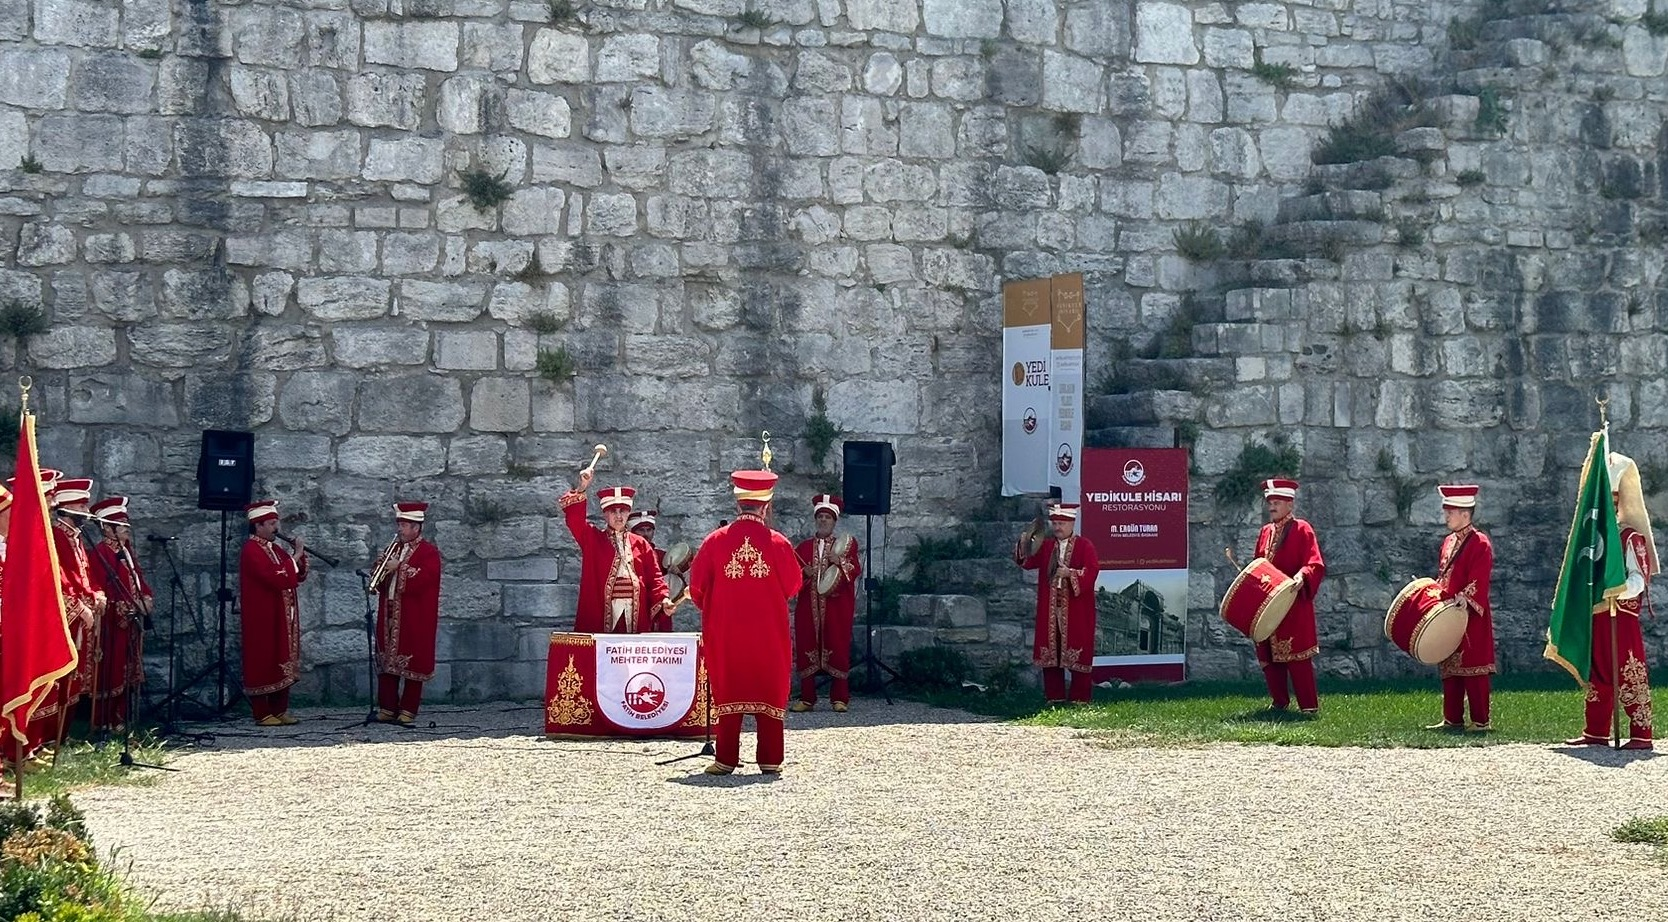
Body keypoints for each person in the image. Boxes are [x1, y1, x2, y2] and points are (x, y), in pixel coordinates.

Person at [687, 468, 802, 775]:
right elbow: (793, 586)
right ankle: (770, 758)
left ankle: (726, 758)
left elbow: (696, 589)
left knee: (731, 685)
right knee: (768, 688)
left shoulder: (714, 541)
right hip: (769, 635)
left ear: (738, 504)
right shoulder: (778, 543)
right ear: (765, 506)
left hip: (727, 634)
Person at [1567, 453, 1656, 749]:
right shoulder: (1591, 541)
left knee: (1630, 672)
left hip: (1622, 618)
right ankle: (1596, 732)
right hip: (1598, 617)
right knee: (1598, 675)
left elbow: (1638, 580)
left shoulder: (1630, 538)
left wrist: (1616, 589)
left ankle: (1641, 734)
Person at [559, 472, 669, 633]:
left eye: (623, 511)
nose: (619, 516)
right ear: (605, 514)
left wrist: (663, 598)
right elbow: (574, 521)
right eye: (613, 511)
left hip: (635, 613)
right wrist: (582, 487)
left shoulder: (641, 544)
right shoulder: (593, 539)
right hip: (604, 612)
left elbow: (655, 578)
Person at [1252, 479, 1325, 714]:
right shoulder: (1265, 532)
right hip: (1267, 603)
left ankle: (1309, 706)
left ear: (1289, 504)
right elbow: (1258, 565)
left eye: (1276, 502)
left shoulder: (1303, 529)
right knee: (1269, 656)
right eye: (1270, 502)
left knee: (1297, 657)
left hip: (1292, 603)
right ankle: (1279, 702)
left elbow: (1314, 563)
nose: (1271, 506)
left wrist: (1302, 576)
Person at [1425, 484, 1495, 732]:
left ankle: (1480, 721)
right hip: (1448, 612)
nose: (1445, 516)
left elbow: (1479, 578)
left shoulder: (1480, 543)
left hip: (1470, 615)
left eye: (1450, 512)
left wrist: (1465, 597)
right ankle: (1452, 718)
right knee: (1450, 669)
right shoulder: (1447, 542)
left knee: (1473, 668)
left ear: (1465, 514)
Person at [1016, 502, 1100, 703]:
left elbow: (1092, 571)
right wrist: (1024, 543)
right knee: (1050, 652)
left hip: (1076, 609)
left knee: (1077, 649)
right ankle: (1055, 697)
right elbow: (1027, 562)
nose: (1057, 527)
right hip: (1050, 608)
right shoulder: (1046, 546)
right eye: (1054, 523)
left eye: (1062, 523)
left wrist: (1069, 573)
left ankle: (1080, 698)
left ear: (1072, 523)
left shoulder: (1085, 546)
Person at [372, 501, 442, 726]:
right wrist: (380, 569)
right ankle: (387, 707)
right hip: (389, 611)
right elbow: (380, 578)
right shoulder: (393, 549)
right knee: (386, 660)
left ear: (417, 528)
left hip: (414, 615)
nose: (400, 529)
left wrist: (399, 568)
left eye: (404, 525)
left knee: (412, 661)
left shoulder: (428, 552)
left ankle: (408, 709)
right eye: (400, 524)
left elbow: (425, 580)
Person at [238, 499, 307, 727]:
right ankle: (262, 712)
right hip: (263, 616)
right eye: (271, 523)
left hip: (281, 615)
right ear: (258, 526)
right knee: (263, 658)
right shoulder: (251, 550)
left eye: (276, 522)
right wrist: (295, 556)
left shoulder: (274, 548)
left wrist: (298, 559)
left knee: (282, 657)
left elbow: (294, 576)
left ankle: (280, 709)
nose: (276, 528)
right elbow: (275, 577)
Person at [791, 494, 861, 713]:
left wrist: (838, 561)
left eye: (827, 518)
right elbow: (791, 576)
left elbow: (854, 570)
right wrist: (804, 572)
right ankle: (807, 698)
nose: (823, 520)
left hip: (835, 607)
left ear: (834, 522)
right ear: (815, 519)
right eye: (820, 516)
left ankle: (840, 698)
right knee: (806, 646)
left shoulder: (845, 547)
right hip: (807, 608)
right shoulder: (802, 548)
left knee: (837, 646)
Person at [89, 496, 153, 733]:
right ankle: (104, 721)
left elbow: (138, 579)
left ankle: (121, 719)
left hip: (131, 619)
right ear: (107, 528)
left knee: (127, 669)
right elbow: (104, 585)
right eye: (122, 526)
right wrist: (129, 606)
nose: (127, 530)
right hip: (113, 622)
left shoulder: (126, 552)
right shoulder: (102, 552)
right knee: (112, 669)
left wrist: (146, 598)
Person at [48, 477, 103, 739]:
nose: (86, 513)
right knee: (64, 673)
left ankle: (63, 732)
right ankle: (52, 734)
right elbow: (64, 577)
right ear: (68, 508)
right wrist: (81, 605)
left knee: (77, 675)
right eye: (82, 508)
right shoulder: (58, 536)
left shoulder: (77, 538)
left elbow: (85, 575)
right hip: (69, 611)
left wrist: (97, 593)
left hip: (83, 610)